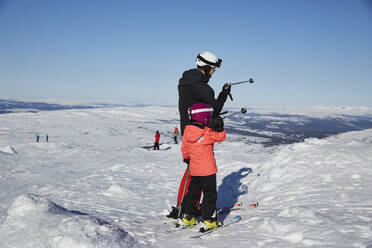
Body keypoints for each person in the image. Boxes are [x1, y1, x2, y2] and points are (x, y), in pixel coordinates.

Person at [167, 51, 231, 218]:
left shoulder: (187, 82)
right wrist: (224, 92)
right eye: (213, 70)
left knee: (193, 170)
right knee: (196, 171)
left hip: (189, 130)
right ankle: (184, 208)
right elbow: (215, 107)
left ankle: (186, 206)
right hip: (198, 132)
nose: (213, 73)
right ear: (207, 68)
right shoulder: (200, 86)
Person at [180, 103, 226, 229]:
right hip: (208, 171)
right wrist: (219, 126)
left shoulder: (187, 130)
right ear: (204, 116)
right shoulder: (207, 132)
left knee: (193, 193)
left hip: (195, 170)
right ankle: (209, 219)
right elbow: (221, 137)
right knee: (209, 195)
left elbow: (184, 148)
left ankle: (187, 216)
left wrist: (187, 158)